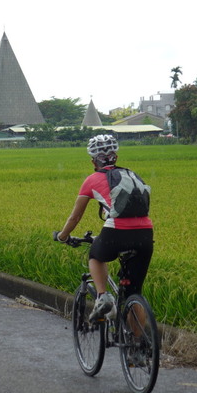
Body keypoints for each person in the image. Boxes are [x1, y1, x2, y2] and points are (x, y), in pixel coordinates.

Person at [55, 134, 154, 322]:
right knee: (134, 294)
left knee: (95, 255)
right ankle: (139, 347)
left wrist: (62, 236)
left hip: (116, 231)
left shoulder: (92, 180)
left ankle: (103, 297)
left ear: (94, 161)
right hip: (146, 233)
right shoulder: (131, 175)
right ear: (115, 156)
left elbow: (75, 217)